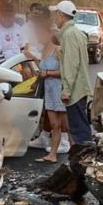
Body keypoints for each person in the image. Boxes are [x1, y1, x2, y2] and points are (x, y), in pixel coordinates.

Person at [51, 0, 93, 144]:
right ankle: (84, 158)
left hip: (75, 90)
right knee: (80, 127)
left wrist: (66, 90)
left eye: (56, 14)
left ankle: (85, 161)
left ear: (61, 15)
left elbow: (71, 65)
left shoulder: (69, 35)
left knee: (79, 130)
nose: (55, 18)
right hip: (80, 87)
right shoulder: (77, 33)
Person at [36, 30, 70, 162]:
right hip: (49, 91)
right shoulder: (43, 52)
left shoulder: (58, 50)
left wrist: (48, 73)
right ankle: (53, 155)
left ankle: (74, 152)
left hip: (59, 90)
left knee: (66, 126)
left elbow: (66, 71)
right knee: (54, 124)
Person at [0, 0, 25, 65]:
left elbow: (23, 48)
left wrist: (25, 65)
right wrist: (10, 68)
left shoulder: (18, 28)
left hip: (17, 65)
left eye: (10, 15)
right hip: (0, 68)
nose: (8, 18)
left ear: (14, 15)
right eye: (5, 15)